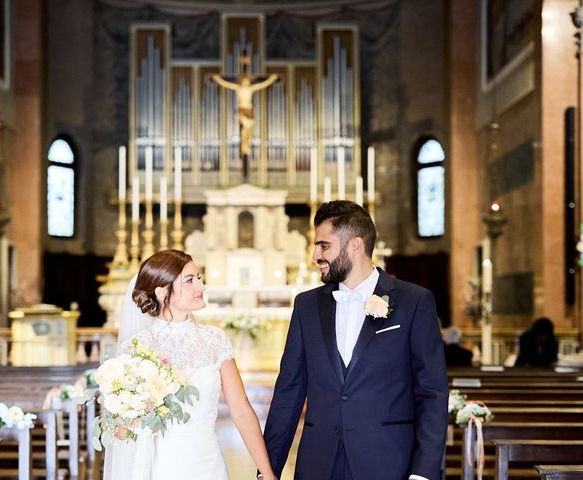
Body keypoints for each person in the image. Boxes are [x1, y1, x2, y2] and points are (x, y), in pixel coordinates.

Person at [263, 201, 448, 480]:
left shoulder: (414, 302)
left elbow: (432, 393)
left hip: (388, 464)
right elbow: (288, 394)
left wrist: (422, 473)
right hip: (319, 464)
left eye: (324, 246)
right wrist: (267, 470)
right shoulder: (306, 306)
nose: (315, 255)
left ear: (355, 245)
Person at [104, 249, 275, 480]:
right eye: (190, 280)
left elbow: (242, 411)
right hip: (157, 467)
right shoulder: (136, 349)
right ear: (162, 292)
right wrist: (133, 414)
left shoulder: (215, 340)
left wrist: (267, 472)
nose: (201, 287)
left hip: (206, 465)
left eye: (199, 278)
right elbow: (120, 432)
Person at [212, 58, 278, 158]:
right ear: (242, 81)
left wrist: (271, 80)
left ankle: (246, 147)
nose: (246, 82)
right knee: (246, 126)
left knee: (249, 128)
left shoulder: (251, 88)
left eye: (248, 81)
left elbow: (262, 85)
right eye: (245, 81)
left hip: (249, 110)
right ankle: (244, 147)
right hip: (242, 109)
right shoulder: (238, 88)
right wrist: (218, 79)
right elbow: (227, 84)